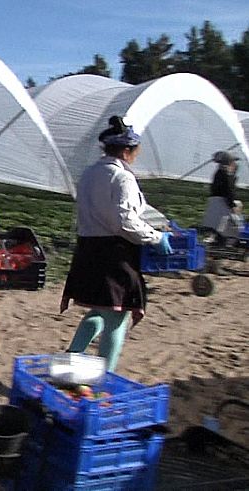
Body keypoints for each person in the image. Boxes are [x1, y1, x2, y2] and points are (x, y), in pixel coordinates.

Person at [60, 116, 173, 373]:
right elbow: (125, 221)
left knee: (100, 312)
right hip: (113, 255)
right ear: (125, 151)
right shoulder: (122, 178)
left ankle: (67, 364)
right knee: (117, 319)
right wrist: (156, 237)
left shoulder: (89, 174)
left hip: (88, 250)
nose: (135, 156)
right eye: (135, 151)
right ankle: (105, 379)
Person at [200, 150, 242, 241]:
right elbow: (228, 191)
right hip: (222, 204)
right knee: (227, 228)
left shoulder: (219, 173)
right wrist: (232, 205)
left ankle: (217, 240)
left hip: (217, 203)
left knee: (218, 227)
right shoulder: (225, 174)